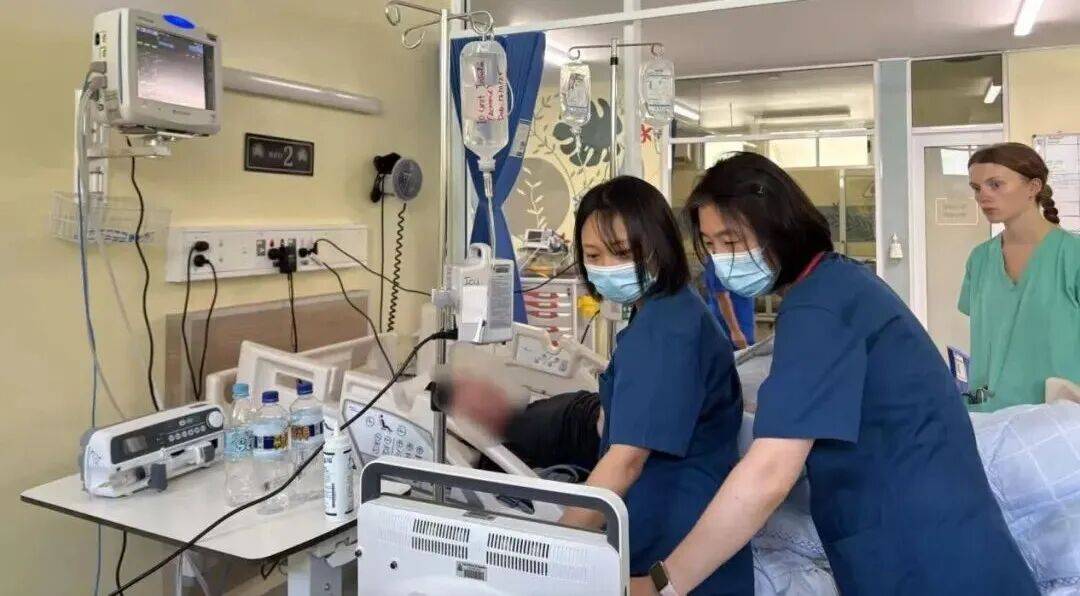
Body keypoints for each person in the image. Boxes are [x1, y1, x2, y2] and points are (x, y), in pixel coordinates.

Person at [631, 152, 1037, 596]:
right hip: (917, 539)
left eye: (732, 241)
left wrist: (663, 584)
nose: (722, 259)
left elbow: (769, 473)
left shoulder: (819, 308)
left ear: (779, 225)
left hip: (928, 556)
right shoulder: (837, 284)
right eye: (711, 246)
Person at [448, 176, 753, 595]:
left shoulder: (664, 332)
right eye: (593, 255)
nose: (607, 267)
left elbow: (625, 462)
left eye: (622, 252)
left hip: (669, 546)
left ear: (658, 245)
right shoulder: (670, 310)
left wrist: (547, 556)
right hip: (673, 525)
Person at [961, 142, 1080, 411]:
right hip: (989, 414)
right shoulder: (980, 259)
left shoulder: (1072, 255)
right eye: (977, 188)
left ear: (1033, 187)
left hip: (1061, 418)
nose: (983, 196)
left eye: (995, 184)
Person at [700, 258, 756, 349]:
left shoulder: (736, 260)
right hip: (729, 327)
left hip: (743, 322)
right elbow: (722, 298)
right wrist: (735, 331)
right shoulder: (718, 263)